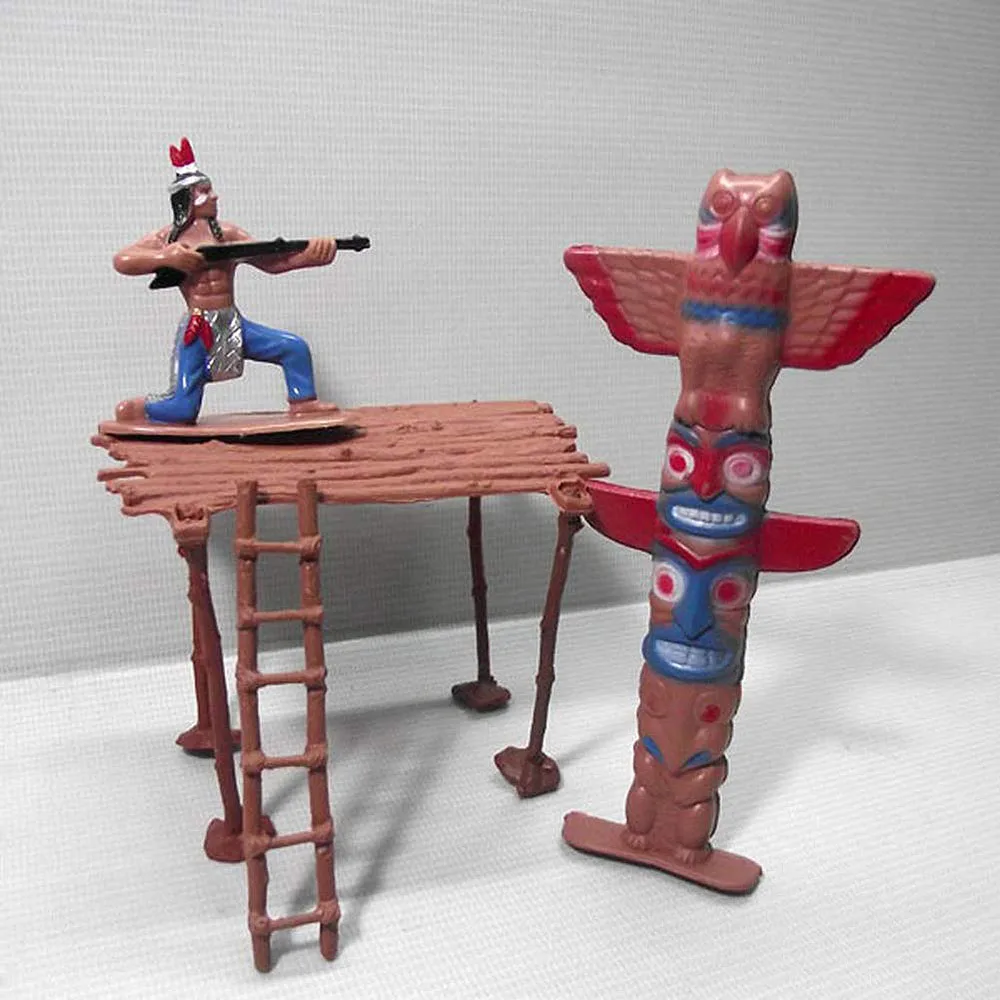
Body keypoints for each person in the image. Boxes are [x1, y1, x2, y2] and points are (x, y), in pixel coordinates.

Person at [113, 138, 339, 424]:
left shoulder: (229, 234)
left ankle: (303, 403)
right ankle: (141, 409)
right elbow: (123, 259)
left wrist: (313, 256)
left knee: (293, 348)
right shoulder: (167, 239)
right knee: (182, 410)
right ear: (187, 199)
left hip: (232, 322)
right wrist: (166, 257)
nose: (215, 197)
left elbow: (272, 262)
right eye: (205, 192)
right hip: (199, 328)